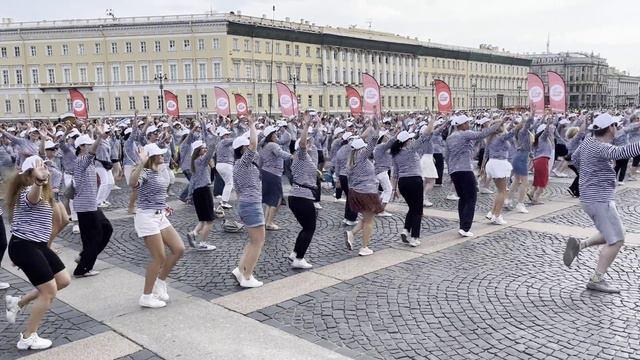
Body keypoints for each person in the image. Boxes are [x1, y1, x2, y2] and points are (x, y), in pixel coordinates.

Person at [563, 113, 640, 293]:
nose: (618, 129)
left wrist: (590, 172)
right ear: (610, 128)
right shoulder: (599, 147)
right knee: (617, 240)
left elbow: (574, 158)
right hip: (599, 199)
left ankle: (579, 245)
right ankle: (597, 279)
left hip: (594, 197)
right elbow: (622, 152)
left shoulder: (588, 143)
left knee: (613, 233)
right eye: (616, 126)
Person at [5, 155, 71, 350]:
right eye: (40, 168)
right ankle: (27, 337)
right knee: (49, 291)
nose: (46, 170)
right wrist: (39, 182)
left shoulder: (44, 193)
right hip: (24, 246)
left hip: (37, 246)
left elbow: (55, 222)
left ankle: (18, 302)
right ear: (29, 174)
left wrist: (47, 247)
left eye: (46, 167)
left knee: (63, 281)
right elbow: (31, 198)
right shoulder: (27, 191)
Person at [130, 143, 185, 308]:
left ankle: (160, 281)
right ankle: (146, 296)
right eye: (160, 154)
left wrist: (163, 205)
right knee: (159, 257)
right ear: (152, 156)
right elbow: (133, 183)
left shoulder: (158, 170)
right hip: (146, 217)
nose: (163, 155)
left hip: (159, 215)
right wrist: (141, 163)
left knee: (179, 249)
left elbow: (157, 193)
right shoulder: (146, 172)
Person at [446, 115, 501, 237]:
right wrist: (498, 124)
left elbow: (447, 156)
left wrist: (450, 172)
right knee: (471, 197)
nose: (469, 124)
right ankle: (465, 228)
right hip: (465, 169)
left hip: (454, 171)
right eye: (467, 122)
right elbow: (482, 134)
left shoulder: (450, 138)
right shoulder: (465, 134)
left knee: (463, 198)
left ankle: (462, 226)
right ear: (463, 125)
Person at [390, 119, 440, 246]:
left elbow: (395, 173)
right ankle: (414, 237)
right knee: (418, 210)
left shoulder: (396, 154)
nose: (412, 140)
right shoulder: (411, 149)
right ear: (407, 141)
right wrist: (432, 121)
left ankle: (406, 230)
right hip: (415, 181)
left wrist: (394, 189)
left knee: (412, 208)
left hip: (403, 183)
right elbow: (425, 136)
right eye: (410, 139)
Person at [72, 122, 113, 277]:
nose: (90, 147)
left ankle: (84, 257)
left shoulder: (87, 162)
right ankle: (82, 268)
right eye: (87, 145)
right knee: (92, 238)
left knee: (107, 229)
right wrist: (99, 138)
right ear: (81, 147)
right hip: (85, 207)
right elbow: (92, 153)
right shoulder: (81, 161)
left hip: (91, 205)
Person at [231, 116, 266, 288]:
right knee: (258, 241)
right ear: (242, 149)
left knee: (253, 241)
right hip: (251, 205)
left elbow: (237, 191)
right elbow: (254, 145)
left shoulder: (239, 165)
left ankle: (240, 270)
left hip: (246, 204)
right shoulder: (244, 163)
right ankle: (247, 276)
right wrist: (251, 125)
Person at [344, 117, 383, 256]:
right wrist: (377, 127)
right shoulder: (361, 155)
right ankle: (364, 247)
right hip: (367, 192)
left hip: (356, 192)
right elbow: (373, 142)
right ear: (361, 148)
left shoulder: (351, 159)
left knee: (366, 218)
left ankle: (351, 233)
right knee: (369, 222)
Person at [287, 115, 318, 268]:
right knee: (310, 228)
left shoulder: (302, 159)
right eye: (309, 142)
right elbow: (303, 144)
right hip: (302, 197)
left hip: (297, 196)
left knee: (306, 227)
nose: (311, 143)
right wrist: (305, 126)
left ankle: (294, 253)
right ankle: (299, 259)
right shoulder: (301, 155)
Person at [185, 117, 218, 251]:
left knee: (203, 219)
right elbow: (211, 149)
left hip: (198, 192)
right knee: (210, 220)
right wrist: (213, 134)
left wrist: (189, 194)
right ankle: (203, 243)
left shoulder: (194, 162)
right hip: (204, 191)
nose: (205, 150)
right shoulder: (201, 161)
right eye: (202, 148)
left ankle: (193, 233)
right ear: (198, 151)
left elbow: (192, 181)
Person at [259, 125, 292, 230]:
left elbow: (260, 161)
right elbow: (280, 153)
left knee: (269, 199)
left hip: (266, 172)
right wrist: (291, 156)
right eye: (274, 134)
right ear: (271, 136)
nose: (276, 135)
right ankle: (269, 222)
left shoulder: (264, 145)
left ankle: (265, 221)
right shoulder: (273, 145)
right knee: (277, 199)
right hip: (273, 173)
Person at [483, 119, 515, 225]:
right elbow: (511, 133)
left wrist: (483, 167)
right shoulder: (500, 138)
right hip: (499, 163)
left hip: (493, 163)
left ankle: (492, 213)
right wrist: (522, 123)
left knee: (501, 190)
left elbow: (485, 154)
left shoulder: (491, 138)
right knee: (503, 191)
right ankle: (497, 215)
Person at [508, 116, 534, 213]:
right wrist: (531, 114)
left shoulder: (523, 133)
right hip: (520, 159)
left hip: (520, 157)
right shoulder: (522, 132)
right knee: (524, 182)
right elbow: (527, 125)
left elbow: (530, 125)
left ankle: (508, 200)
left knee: (516, 181)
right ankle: (520, 204)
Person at [529, 120, 554, 204]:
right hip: (542, 160)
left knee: (537, 180)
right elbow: (546, 131)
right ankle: (535, 198)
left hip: (537, 161)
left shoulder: (537, 139)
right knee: (543, 181)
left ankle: (532, 193)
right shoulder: (543, 138)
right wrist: (549, 122)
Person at [373, 130, 393, 217]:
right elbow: (391, 142)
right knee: (389, 190)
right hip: (382, 171)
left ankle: (378, 208)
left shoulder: (379, 147)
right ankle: (381, 210)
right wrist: (398, 133)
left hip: (380, 171)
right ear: (383, 137)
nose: (388, 136)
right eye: (386, 135)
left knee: (386, 190)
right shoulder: (381, 146)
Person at [215, 127, 235, 209]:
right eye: (227, 134)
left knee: (228, 183)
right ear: (223, 135)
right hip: (225, 164)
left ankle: (223, 199)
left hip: (222, 164)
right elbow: (234, 140)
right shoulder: (224, 142)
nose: (228, 136)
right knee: (229, 183)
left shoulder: (221, 143)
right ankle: (224, 202)